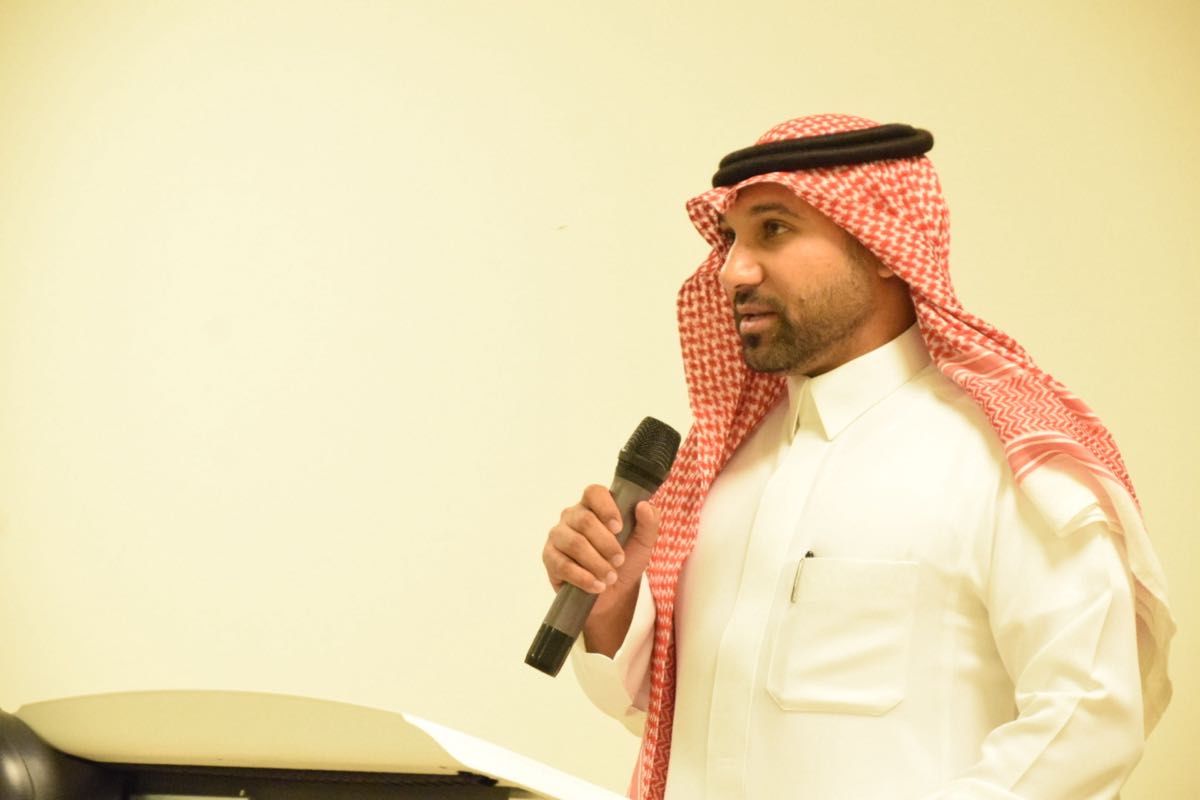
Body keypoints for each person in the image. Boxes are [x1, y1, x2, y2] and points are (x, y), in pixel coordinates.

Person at [541, 114, 1174, 800]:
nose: (732, 270)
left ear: (882, 243)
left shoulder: (1003, 461)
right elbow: (673, 718)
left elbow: (1088, 724)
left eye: (773, 230)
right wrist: (613, 608)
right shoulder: (722, 465)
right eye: (730, 239)